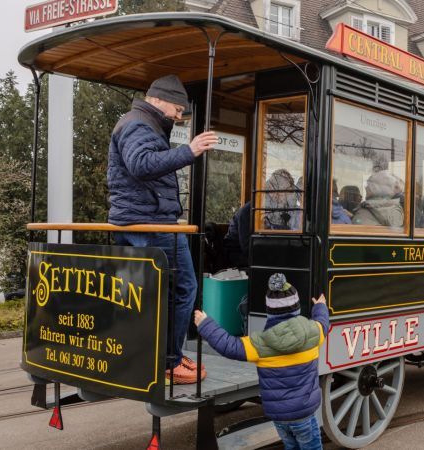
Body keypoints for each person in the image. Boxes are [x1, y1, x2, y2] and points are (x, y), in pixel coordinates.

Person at [107, 74, 218, 384]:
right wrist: (190, 150)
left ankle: (165, 354)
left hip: (146, 220)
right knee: (183, 289)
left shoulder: (143, 123)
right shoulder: (138, 124)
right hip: (150, 223)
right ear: (158, 99)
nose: (180, 116)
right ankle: (169, 360)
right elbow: (141, 165)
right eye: (178, 109)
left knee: (155, 292)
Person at [194, 273, 329, 450]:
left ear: (270, 312)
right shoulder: (314, 333)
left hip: (279, 417)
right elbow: (322, 322)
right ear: (296, 308)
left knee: (291, 447)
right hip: (304, 414)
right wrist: (320, 306)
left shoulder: (259, 344)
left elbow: (229, 345)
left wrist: (205, 324)